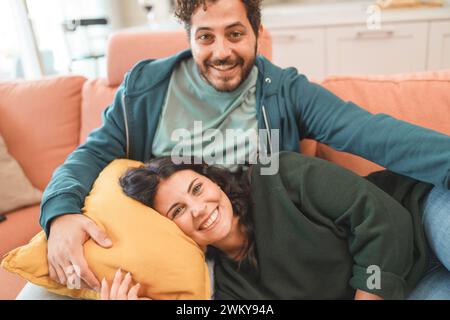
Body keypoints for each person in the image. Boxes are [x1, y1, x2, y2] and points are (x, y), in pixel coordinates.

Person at [23, 0, 449, 298]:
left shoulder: (283, 100)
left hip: (367, 228)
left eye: (235, 34)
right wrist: (60, 213)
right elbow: (88, 156)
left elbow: (373, 134)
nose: (222, 52)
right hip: (206, 257)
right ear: (188, 36)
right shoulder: (144, 91)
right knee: (41, 289)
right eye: (205, 37)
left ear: (258, 33)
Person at [99, 152, 450, 300]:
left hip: (420, 214)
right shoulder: (227, 286)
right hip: (410, 287)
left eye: (197, 188)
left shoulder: (274, 175)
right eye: (178, 211)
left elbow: (377, 218)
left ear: (214, 181)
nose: (199, 209)